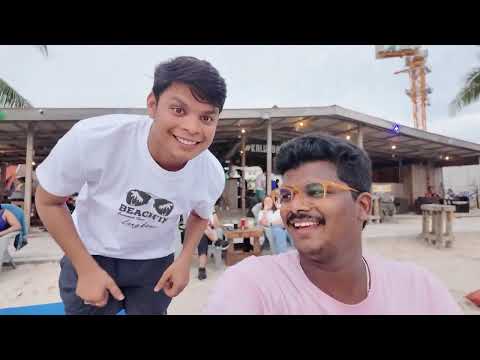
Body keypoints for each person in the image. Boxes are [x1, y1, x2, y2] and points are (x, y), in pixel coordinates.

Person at [35, 56, 227, 315]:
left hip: (154, 264)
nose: (192, 128)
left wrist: (184, 260)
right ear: (152, 104)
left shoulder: (210, 172)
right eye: (178, 110)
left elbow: (200, 215)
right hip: (91, 251)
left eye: (206, 118)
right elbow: (48, 200)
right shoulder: (94, 139)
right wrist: (84, 267)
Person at [205, 134, 462, 315]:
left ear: (362, 207)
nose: (295, 207)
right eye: (286, 195)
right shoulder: (251, 285)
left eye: (316, 191)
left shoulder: (418, 289)